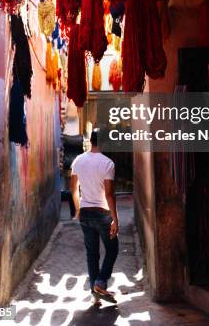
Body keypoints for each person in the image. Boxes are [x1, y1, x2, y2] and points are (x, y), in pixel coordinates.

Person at [70, 128, 119, 304]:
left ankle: (95, 295)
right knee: (112, 249)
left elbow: (73, 189)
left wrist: (77, 209)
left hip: (85, 212)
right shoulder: (108, 164)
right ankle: (100, 282)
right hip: (103, 214)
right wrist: (115, 218)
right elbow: (109, 194)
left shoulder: (78, 161)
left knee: (92, 254)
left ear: (91, 141)